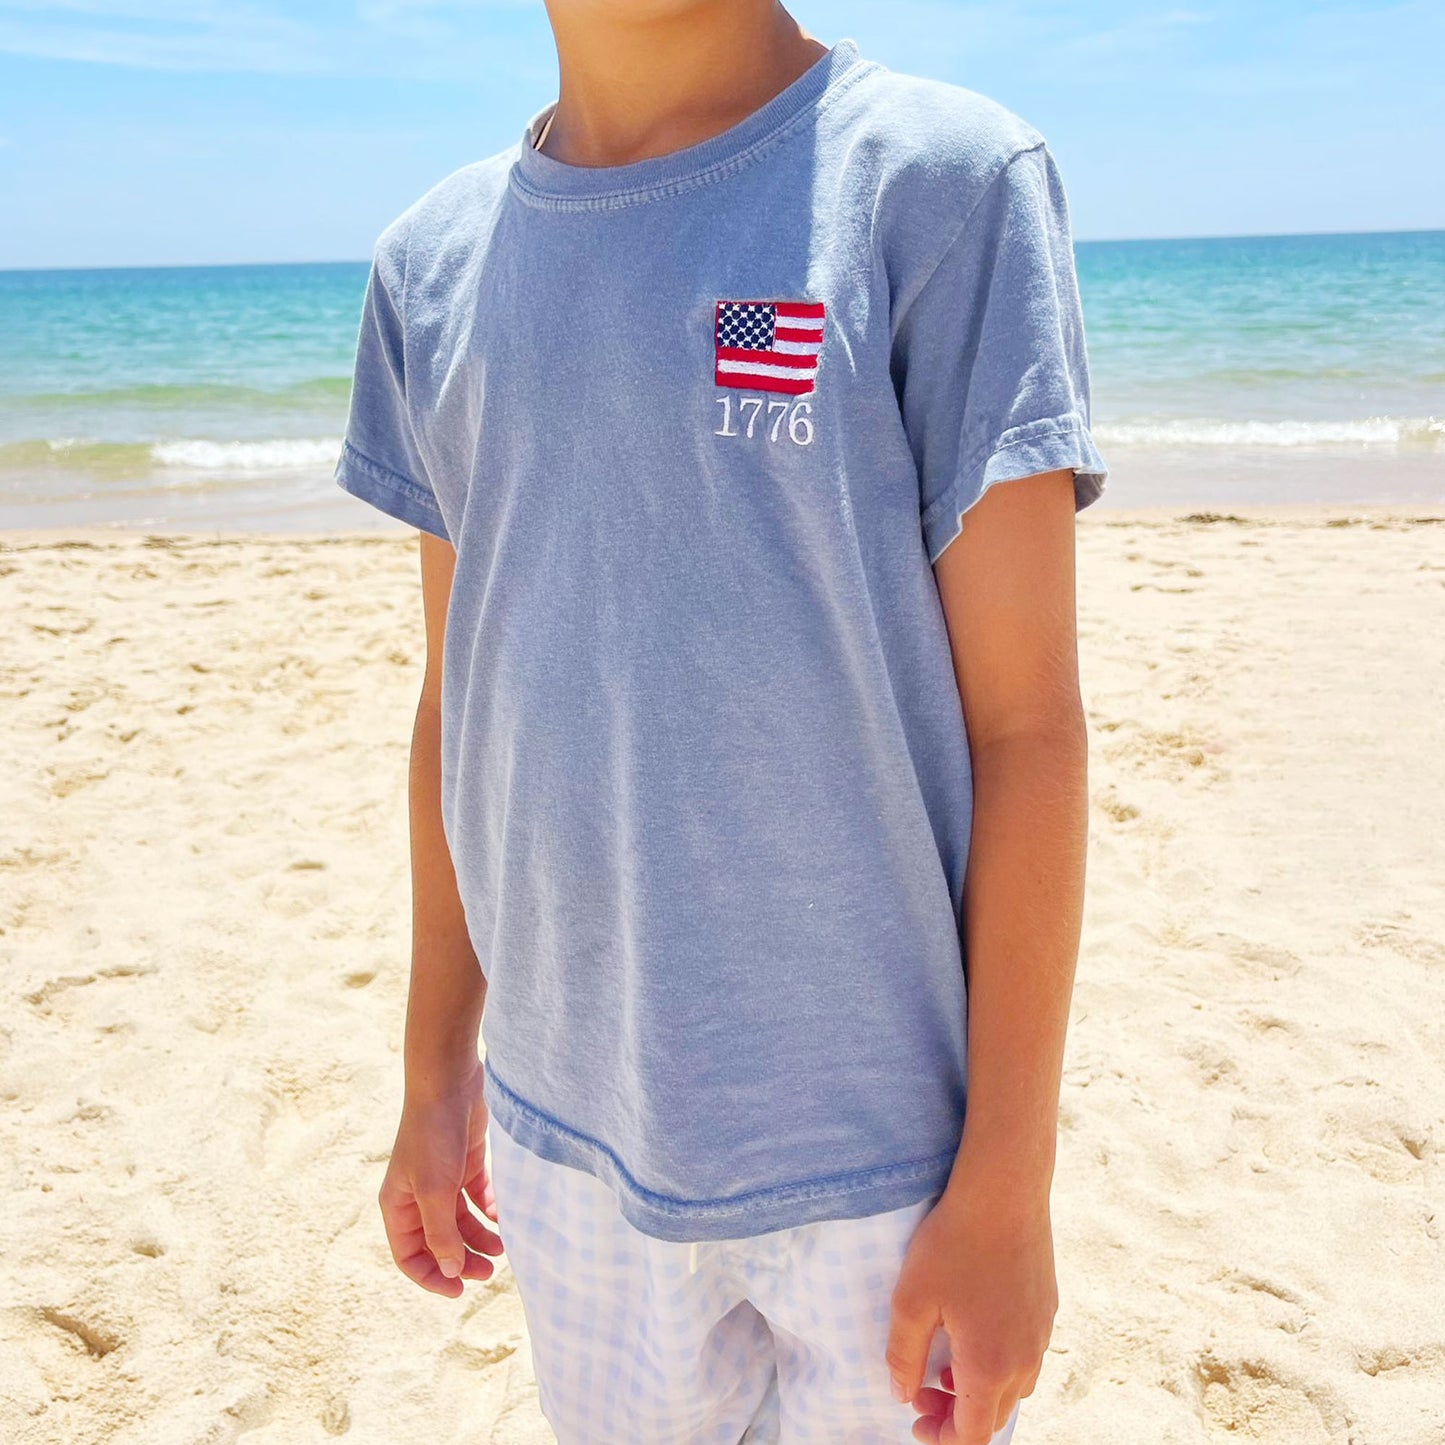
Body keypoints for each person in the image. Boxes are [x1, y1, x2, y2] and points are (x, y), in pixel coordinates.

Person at [335, 3, 1108, 1441]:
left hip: (886, 1153)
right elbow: (462, 701)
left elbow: (1026, 728)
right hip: (570, 1134)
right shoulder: (431, 266)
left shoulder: (937, 182)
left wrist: (1007, 1180)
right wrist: (434, 1073)